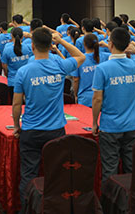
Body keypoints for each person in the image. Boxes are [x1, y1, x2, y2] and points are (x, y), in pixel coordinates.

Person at [12, 28, 85, 203]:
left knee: (28, 175)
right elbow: (81, 57)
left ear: (32, 46)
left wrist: (16, 126)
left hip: (30, 130)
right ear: (50, 45)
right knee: (56, 173)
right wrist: (61, 41)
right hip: (55, 130)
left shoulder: (23, 72)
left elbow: (16, 104)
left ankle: (28, 207)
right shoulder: (60, 65)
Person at [92, 27, 135, 187]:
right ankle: (131, 198)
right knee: (131, 168)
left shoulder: (102, 68)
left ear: (111, 44)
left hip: (110, 126)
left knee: (110, 170)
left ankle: (111, 200)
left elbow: (97, 99)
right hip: (133, 125)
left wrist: (94, 122)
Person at [72, 33, 107, 107]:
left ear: (84, 44)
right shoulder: (105, 56)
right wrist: (107, 45)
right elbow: (121, 55)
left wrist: (75, 95)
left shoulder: (79, 59)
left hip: (85, 99)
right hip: (102, 97)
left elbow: (76, 79)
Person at [0, 28, 32, 95]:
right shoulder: (29, 48)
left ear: (11, 36)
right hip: (27, 80)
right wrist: (30, 36)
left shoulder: (7, 50)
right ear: (22, 37)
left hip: (13, 81)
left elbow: (4, 66)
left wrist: (8, 75)